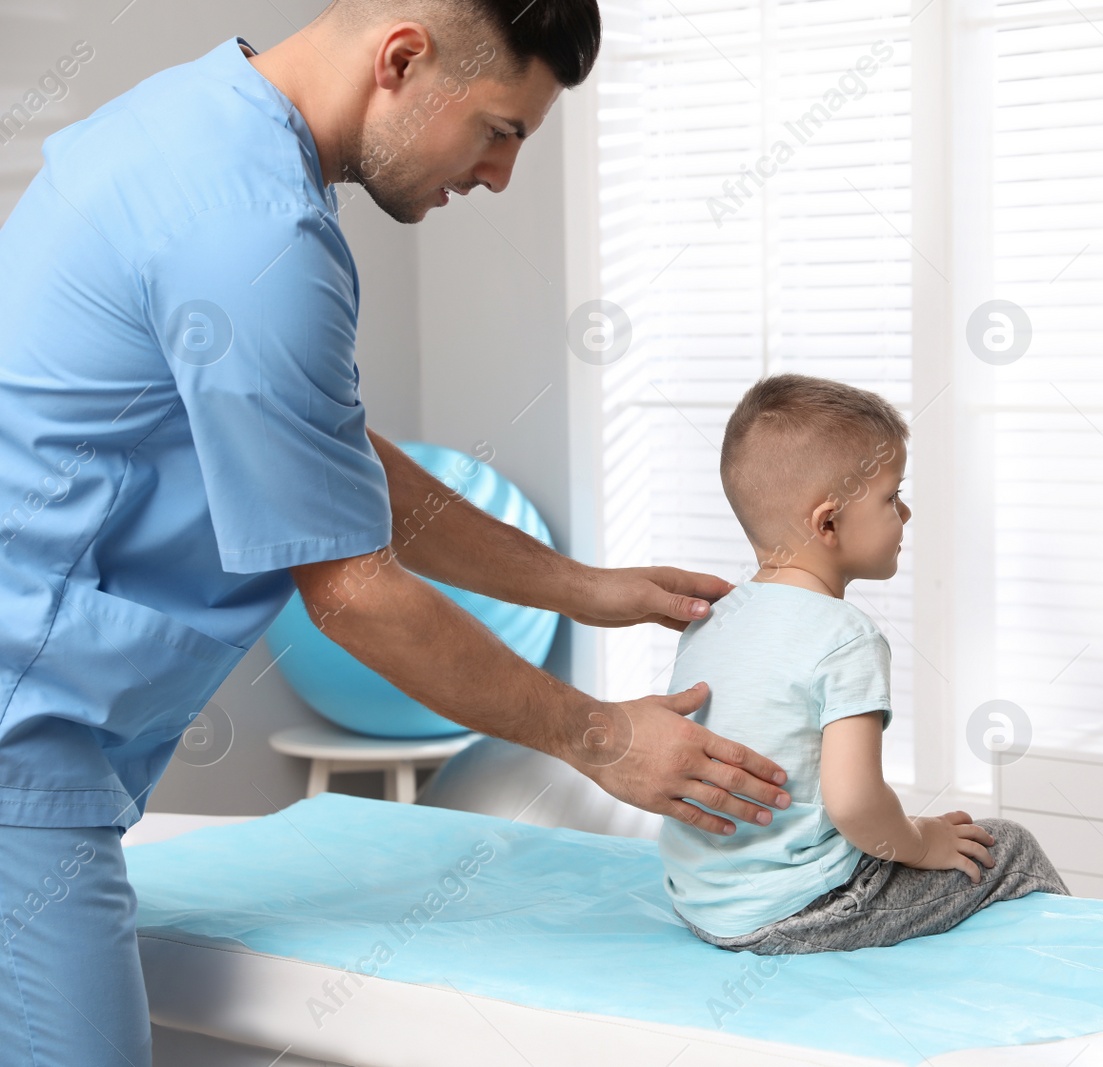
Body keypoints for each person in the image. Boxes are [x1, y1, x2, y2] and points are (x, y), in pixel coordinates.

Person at [0, 3, 790, 1063]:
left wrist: (580, 586)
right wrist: (604, 738)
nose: (502, 174)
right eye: (502, 129)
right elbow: (356, 590)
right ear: (403, 58)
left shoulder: (188, 121)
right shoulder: (255, 233)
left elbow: (331, 455)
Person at [659, 374, 1067, 955]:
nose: (907, 511)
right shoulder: (845, 636)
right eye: (891, 496)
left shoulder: (711, 617)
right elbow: (853, 803)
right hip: (803, 909)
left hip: (701, 901)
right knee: (1009, 846)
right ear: (827, 524)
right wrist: (922, 842)